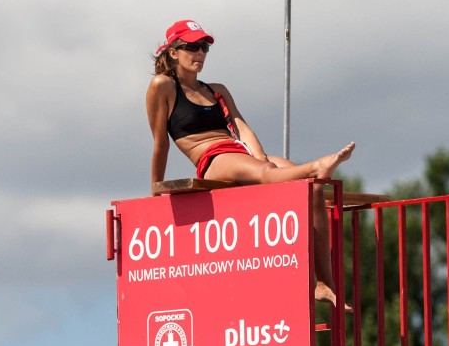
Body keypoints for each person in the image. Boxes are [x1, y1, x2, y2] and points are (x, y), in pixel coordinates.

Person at [146, 19, 355, 308]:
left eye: (204, 47)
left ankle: (323, 283)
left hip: (237, 150)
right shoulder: (163, 86)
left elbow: (242, 127)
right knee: (280, 173)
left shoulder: (217, 89)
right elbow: (160, 143)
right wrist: (154, 191)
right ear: (173, 52)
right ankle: (315, 166)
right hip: (211, 158)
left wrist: (260, 158)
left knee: (312, 190)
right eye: (192, 47)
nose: (200, 54)